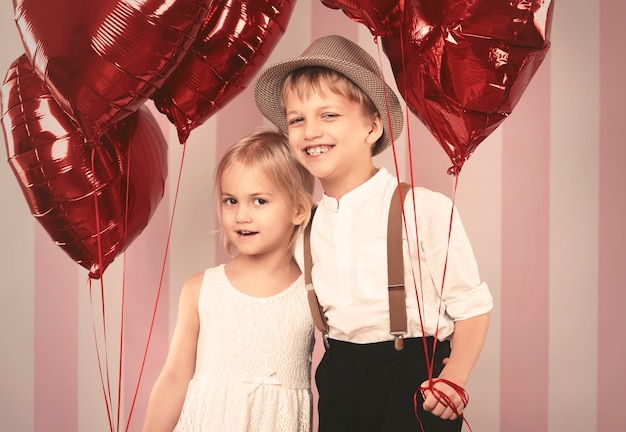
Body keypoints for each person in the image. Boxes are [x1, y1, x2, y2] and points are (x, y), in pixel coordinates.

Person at [254, 35, 493, 431]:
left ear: (372, 127)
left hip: (415, 377)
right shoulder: (302, 227)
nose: (309, 130)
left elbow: (471, 306)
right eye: (297, 119)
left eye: (328, 115)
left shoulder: (421, 209)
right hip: (339, 377)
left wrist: (454, 379)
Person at [143, 130, 316, 432]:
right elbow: (173, 379)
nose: (241, 216)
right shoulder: (201, 289)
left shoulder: (313, 294)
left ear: (299, 209)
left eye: (259, 201)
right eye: (231, 201)